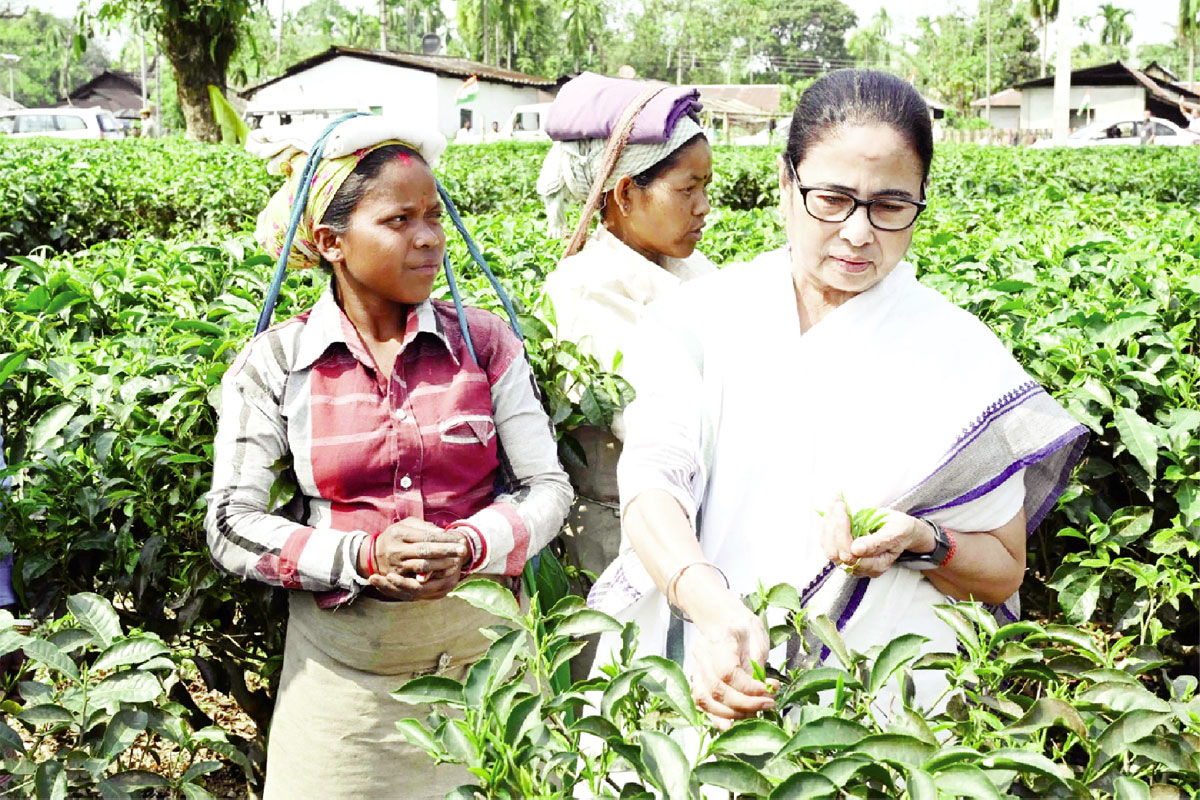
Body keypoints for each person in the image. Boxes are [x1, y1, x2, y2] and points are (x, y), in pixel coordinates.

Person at [588, 70, 1087, 722]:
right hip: (714, 669)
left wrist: (923, 540)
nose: (858, 233)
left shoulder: (959, 353)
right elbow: (653, 488)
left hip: (883, 711)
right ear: (786, 182)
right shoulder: (705, 318)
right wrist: (715, 612)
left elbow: (1001, 570)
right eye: (832, 198)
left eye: (890, 205)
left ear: (921, 199)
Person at [207, 117, 572, 799]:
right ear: (330, 242)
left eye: (434, 215)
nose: (430, 237)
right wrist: (361, 557)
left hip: (488, 674)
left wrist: (468, 544)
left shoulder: (485, 344)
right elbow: (230, 522)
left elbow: (545, 487)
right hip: (345, 697)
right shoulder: (277, 364)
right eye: (399, 219)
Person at [534, 74, 716, 635]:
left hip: (693, 527)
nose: (705, 207)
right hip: (619, 540)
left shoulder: (695, 273)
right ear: (626, 194)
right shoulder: (584, 291)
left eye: (707, 187)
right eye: (688, 190)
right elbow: (655, 420)